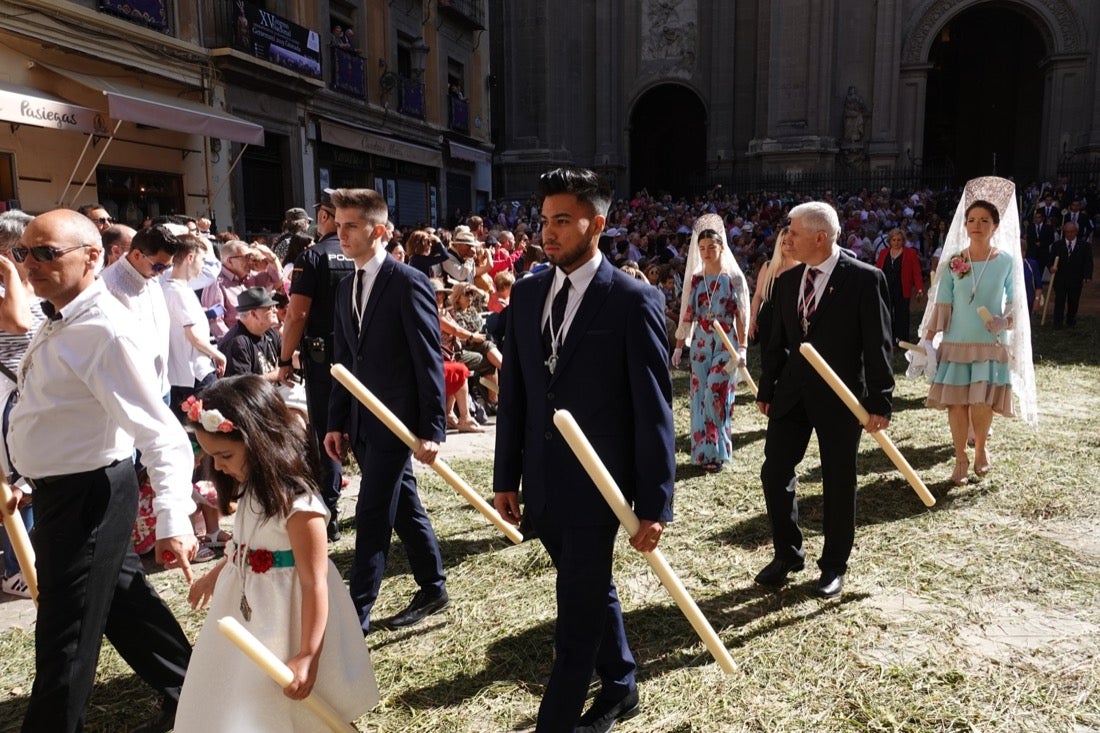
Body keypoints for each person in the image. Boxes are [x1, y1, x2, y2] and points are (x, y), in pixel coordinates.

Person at [493, 167, 675, 732]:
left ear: (597, 224)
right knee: (590, 587)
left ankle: (558, 721)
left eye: (563, 221)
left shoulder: (632, 299)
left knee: (575, 613)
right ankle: (621, 685)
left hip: (602, 489)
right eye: (545, 221)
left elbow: (652, 411)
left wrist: (655, 503)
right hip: (544, 485)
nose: (548, 233)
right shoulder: (525, 296)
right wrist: (506, 477)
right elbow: (517, 395)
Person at [5, 209, 196, 732]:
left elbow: (162, 434)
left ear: (93, 256)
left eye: (47, 253)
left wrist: (174, 519)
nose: (33, 265)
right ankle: (194, 692)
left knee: (64, 636)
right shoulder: (60, 315)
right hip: (64, 490)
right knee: (120, 602)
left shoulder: (105, 331)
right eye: (25, 253)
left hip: (90, 494)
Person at [174, 377, 378, 732]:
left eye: (225, 455)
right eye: (212, 456)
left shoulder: (300, 506)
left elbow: (315, 582)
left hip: (288, 613)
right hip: (246, 609)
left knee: (299, 702)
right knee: (243, 688)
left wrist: (309, 654)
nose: (218, 467)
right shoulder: (253, 489)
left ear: (259, 441)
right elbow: (244, 546)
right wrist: (213, 574)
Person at [324, 188, 449, 634]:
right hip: (360, 421)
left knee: (373, 513)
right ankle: (433, 585)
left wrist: (433, 426)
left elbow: (427, 358)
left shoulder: (407, 281)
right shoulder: (343, 288)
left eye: (350, 225)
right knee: (404, 507)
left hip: (397, 422)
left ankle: (355, 618)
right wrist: (337, 421)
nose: (340, 233)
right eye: (337, 225)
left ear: (378, 230)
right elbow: (343, 359)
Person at [755, 201, 893, 600]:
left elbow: (877, 345)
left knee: (838, 480)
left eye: (793, 232)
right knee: (774, 472)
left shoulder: (865, 280)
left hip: (841, 398)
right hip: (792, 395)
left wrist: (879, 401)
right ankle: (788, 554)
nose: (787, 238)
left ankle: (833, 565)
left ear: (820, 236)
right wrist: (768, 389)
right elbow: (776, 343)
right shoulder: (787, 280)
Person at [920, 177, 1037, 485]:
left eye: (984, 220)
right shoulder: (956, 261)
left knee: (982, 401)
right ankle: (960, 457)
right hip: (957, 341)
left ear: (995, 226)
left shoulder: (1007, 261)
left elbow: (1017, 302)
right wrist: (929, 338)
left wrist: (1004, 321)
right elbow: (943, 302)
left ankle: (981, 449)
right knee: (957, 402)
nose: (976, 224)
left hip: (990, 341)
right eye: (971, 219)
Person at [277, 188, 355, 542]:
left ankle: (330, 511)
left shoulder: (311, 258)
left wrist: (283, 360)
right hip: (359, 355)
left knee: (328, 432)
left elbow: (297, 314)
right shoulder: (358, 255)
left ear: (325, 217)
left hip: (325, 359)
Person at [671, 214, 749, 472]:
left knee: (715, 391)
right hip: (702, 343)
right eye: (702, 248)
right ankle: (702, 454)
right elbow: (688, 313)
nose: (706, 252)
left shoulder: (733, 278)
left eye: (711, 248)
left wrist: (742, 348)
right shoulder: (696, 278)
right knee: (699, 396)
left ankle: (718, 450)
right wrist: (680, 346)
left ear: (721, 247)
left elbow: (741, 314)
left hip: (726, 341)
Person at [164, 234, 225, 412]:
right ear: (190, 257)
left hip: (185, 371)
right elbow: (194, 336)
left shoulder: (177, 288)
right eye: (202, 260)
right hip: (194, 371)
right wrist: (218, 354)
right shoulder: (177, 291)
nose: (203, 266)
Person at [748, 226, 798, 346]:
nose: (787, 246)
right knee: (769, 359)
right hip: (768, 319)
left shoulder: (804, 268)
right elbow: (758, 295)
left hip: (791, 320)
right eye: (783, 242)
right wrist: (753, 319)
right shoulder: (768, 266)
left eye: (791, 243)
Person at [219, 287, 282, 380]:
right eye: (269, 308)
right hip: (252, 393)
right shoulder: (237, 342)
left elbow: (287, 356)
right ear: (253, 314)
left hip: (274, 389)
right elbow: (242, 384)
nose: (275, 310)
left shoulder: (269, 332)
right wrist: (275, 375)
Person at [875, 228, 925, 346]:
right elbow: (877, 270)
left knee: (902, 314)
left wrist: (919, 288)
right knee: (886, 313)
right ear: (889, 241)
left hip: (902, 288)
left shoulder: (910, 253)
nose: (896, 242)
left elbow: (916, 272)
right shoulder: (883, 253)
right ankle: (888, 338)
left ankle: (901, 340)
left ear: (903, 241)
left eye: (899, 240)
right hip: (886, 288)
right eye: (894, 240)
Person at [1049, 221, 1092, 328]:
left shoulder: (1084, 246)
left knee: (1073, 301)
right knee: (1059, 300)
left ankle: (1071, 321)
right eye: (1067, 232)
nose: (1069, 234)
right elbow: (1050, 260)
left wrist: (1087, 275)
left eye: (1071, 232)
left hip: (1076, 279)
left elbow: (1088, 261)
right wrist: (1051, 267)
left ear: (1076, 232)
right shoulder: (1057, 245)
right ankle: (1057, 323)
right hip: (1060, 279)